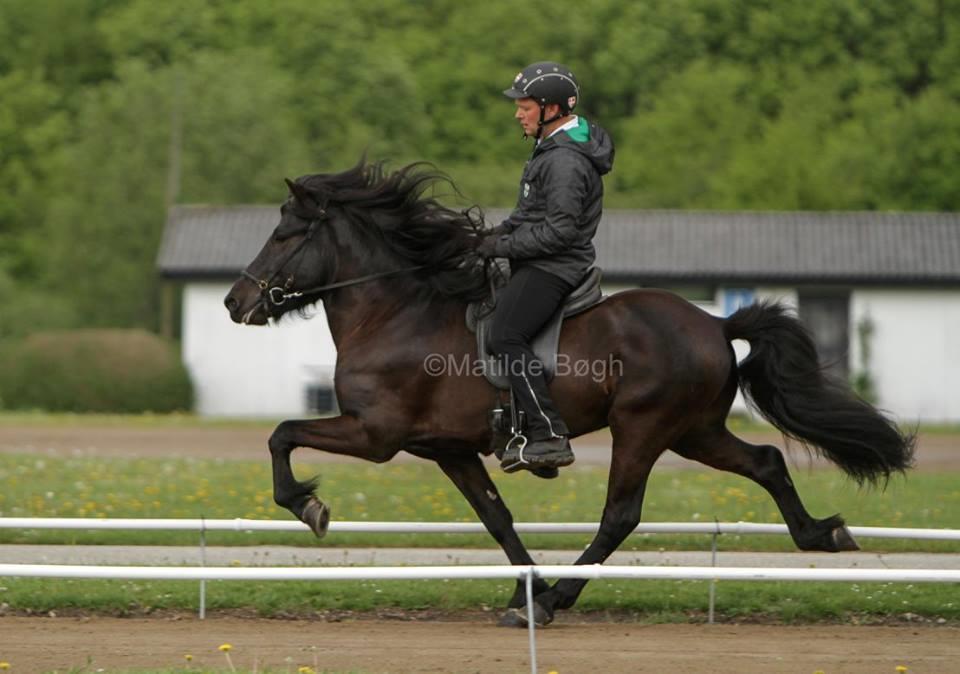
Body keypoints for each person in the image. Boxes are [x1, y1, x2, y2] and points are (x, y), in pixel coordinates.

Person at [476, 61, 615, 474]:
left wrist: (500, 246)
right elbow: (526, 216)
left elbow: (558, 232)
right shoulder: (550, 149)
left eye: (525, 106)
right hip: (540, 257)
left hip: (556, 265)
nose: (518, 113)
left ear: (551, 108)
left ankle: (549, 435)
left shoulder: (565, 162)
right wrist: (481, 240)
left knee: (505, 335)